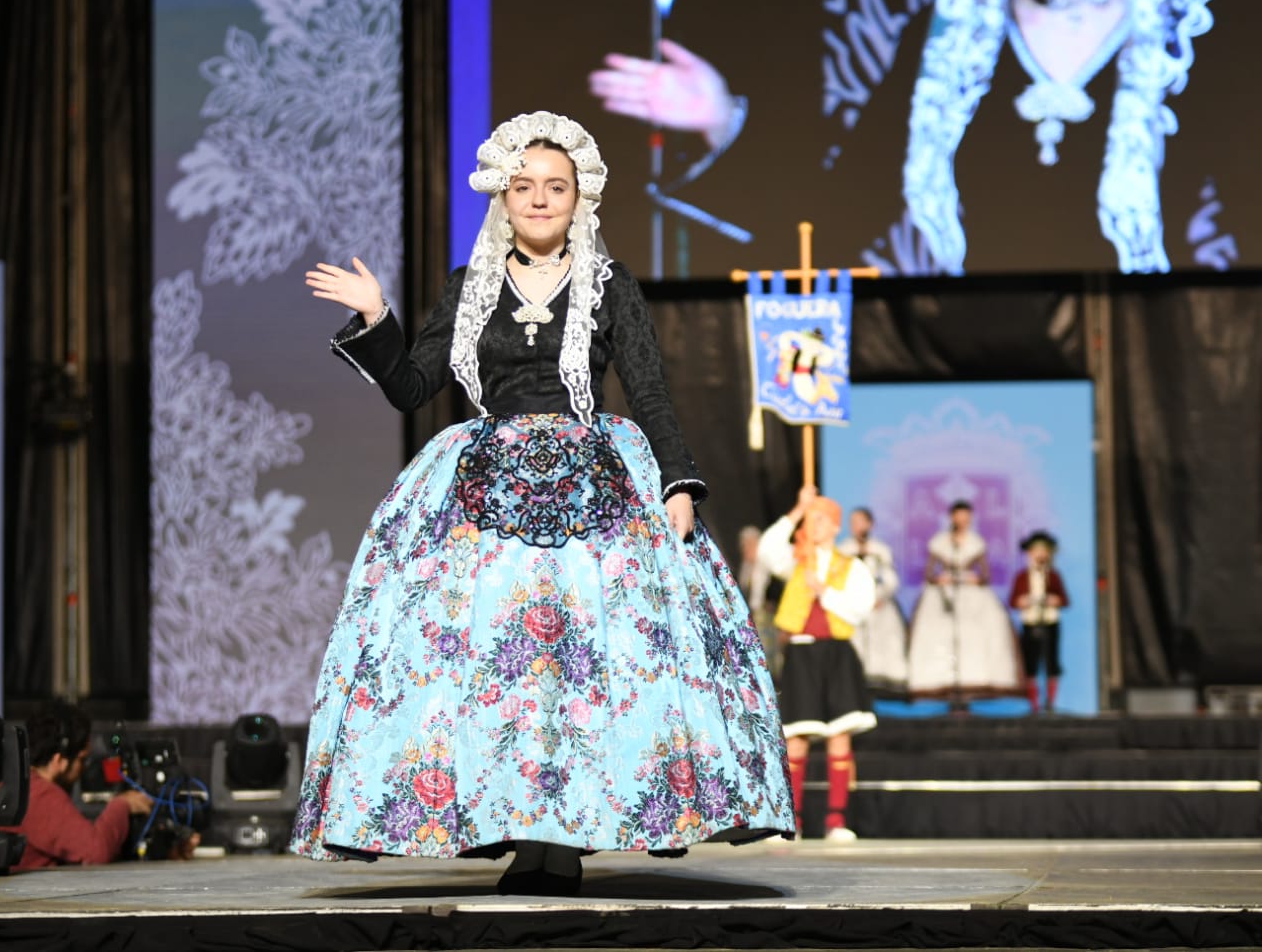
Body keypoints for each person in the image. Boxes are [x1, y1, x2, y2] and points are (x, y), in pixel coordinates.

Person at [293, 111, 792, 895]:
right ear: (501, 195)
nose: (537, 198)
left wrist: (677, 481)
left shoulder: (608, 284)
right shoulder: (468, 288)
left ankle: (569, 836)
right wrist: (374, 317)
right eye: (522, 185)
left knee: (583, 665)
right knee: (497, 667)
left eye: (553, 187)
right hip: (480, 491)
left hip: (595, 486)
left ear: (578, 199)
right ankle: (518, 832)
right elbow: (412, 388)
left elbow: (651, 390)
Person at [587, 0, 1262, 277]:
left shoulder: (1204, 41)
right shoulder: (948, 43)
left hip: (1157, 359)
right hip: (965, 346)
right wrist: (724, 118)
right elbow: (840, 214)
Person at [757, 487, 877, 841]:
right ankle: (791, 820)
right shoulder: (796, 558)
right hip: (802, 655)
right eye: (812, 518)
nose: (814, 524)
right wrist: (796, 510)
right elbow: (766, 551)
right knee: (797, 739)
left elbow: (861, 607)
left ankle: (836, 820)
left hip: (837, 654)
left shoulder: (850, 566)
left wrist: (824, 592)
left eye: (820, 518)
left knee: (839, 737)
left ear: (835, 525)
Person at [0, 701, 161, 872]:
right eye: (82, 760)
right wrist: (122, 804)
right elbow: (96, 851)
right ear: (59, 760)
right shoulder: (40, 795)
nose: (83, 769)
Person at [906, 501, 1021, 702]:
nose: (963, 520)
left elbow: (985, 575)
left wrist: (973, 578)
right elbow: (929, 573)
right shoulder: (941, 542)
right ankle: (942, 684)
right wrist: (940, 579)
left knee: (975, 634)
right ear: (952, 518)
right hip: (944, 594)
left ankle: (973, 681)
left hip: (970, 593)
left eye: (966, 517)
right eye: (959, 516)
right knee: (940, 633)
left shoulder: (976, 542)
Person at [836, 507, 908, 695]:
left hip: (878, 605)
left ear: (869, 524)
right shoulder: (844, 549)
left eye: (860, 521)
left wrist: (880, 596)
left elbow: (891, 579)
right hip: (853, 606)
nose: (855, 526)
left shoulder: (880, 549)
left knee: (884, 642)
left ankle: (882, 688)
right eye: (852, 522)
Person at [1009, 530, 1071, 713]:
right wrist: (1023, 601)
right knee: (1031, 664)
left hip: (1050, 623)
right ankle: (1034, 706)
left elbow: (1065, 600)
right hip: (1030, 623)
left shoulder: (1053, 576)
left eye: (1044, 550)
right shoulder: (1022, 576)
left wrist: (1054, 600)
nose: (1040, 554)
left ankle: (1050, 704)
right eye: (1036, 550)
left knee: (1052, 662)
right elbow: (1013, 601)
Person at [735, 523, 784, 680]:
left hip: (766, 617)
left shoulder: (769, 566)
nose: (747, 549)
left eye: (751, 545)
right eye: (745, 545)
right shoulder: (743, 569)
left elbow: (777, 591)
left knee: (769, 654)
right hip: (749, 617)